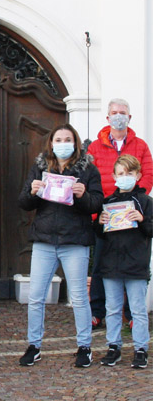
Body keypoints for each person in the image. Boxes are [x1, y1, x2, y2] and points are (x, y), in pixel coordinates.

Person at [18, 124, 103, 367]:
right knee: (35, 297)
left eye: (68, 139)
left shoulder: (88, 169)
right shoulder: (40, 167)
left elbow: (97, 204)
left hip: (74, 241)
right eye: (58, 139)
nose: (63, 143)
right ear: (51, 143)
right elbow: (23, 202)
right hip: (45, 240)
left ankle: (84, 347)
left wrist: (82, 195)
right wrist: (33, 192)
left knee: (78, 297)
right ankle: (34, 345)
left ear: (75, 143)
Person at [87, 98, 153, 330]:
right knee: (100, 266)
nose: (118, 116)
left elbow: (147, 174)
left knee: (132, 265)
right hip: (105, 213)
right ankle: (97, 312)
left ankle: (131, 313)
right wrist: (103, 204)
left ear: (129, 117)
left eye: (122, 112)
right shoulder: (95, 147)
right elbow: (91, 177)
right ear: (107, 118)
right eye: (114, 112)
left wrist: (134, 198)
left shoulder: (141, 145)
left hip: (133, 213)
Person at [95, 155, 152, 369]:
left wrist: (143, 219)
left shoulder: (146, 202)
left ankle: (140, 349)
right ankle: (113, 346)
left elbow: (151, 230)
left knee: (137, 309)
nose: (125, 177)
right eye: (121, 174)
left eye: (129, 173)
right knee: (112, 308)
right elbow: (100, 235)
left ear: (137, 176)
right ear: (114, 177)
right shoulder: (108, 202)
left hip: (136, 265)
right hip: (111, 265)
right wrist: (100, 223)